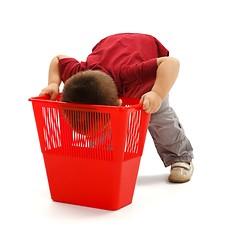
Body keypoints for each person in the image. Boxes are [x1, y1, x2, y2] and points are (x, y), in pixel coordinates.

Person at [39, 33, 194, 183]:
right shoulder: (77, 73)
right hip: (109, 46)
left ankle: (181, 158)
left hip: (150, 76)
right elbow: (58, 59)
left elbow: (171, 63)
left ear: (119, 103)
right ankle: (102, 159)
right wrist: (53, 83)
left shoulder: (130, 74)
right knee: (101, 128)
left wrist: (157, 94)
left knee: (159, 117)